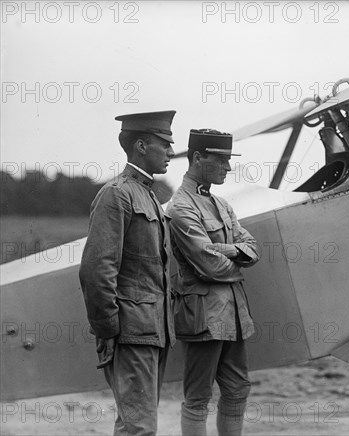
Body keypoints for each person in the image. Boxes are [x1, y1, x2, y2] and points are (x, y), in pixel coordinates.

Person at [79, 110, 177, 435]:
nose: (171, 153)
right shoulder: (117, 194)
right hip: (131, 333)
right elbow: (97, 270)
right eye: (165, 145)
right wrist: (109, 331)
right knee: (139, 429)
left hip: (152, 332)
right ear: (140, 146)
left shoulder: (147, 195)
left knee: (136, 425)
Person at [166, 129, 260, 436]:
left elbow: (252, 247)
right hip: (203, 315)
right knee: (198, 396)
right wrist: (235, 258)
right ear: (197, 158)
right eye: (220, 160)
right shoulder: (181, 207)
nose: (228, 168)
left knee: (238, 388)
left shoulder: (221, 203)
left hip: (232, 313)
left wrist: (227, 249)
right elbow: (209, 266)